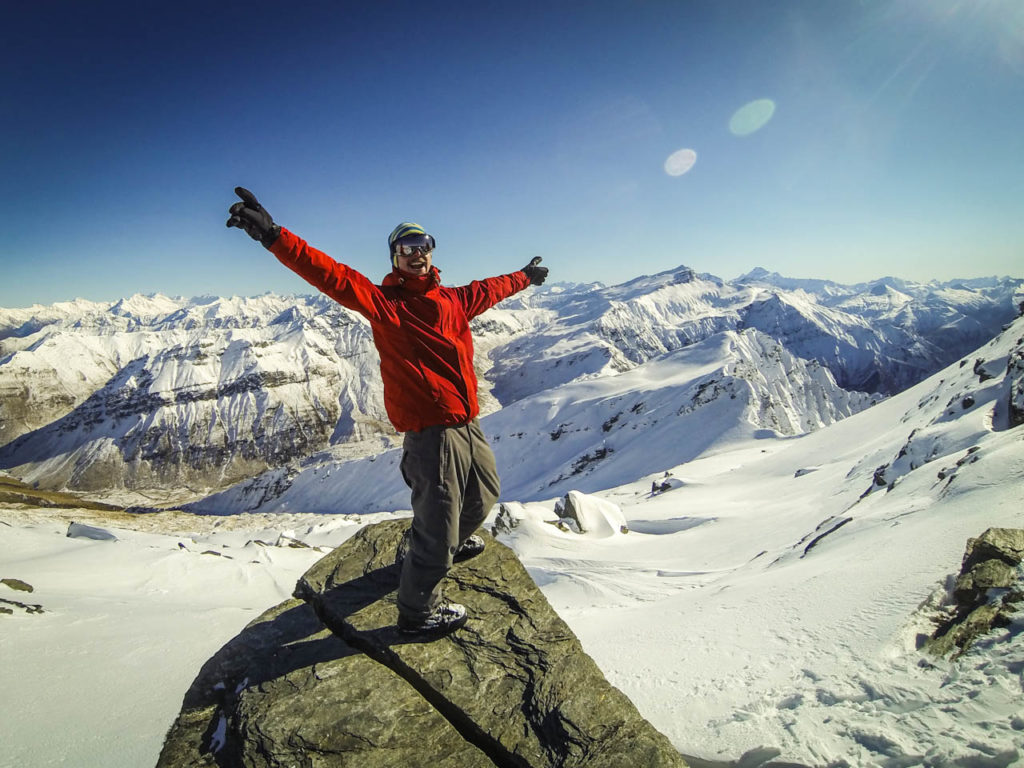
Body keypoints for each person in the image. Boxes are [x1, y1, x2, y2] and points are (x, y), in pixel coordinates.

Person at [226, 187, 548, 637]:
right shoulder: (385, 304)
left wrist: (525, 276)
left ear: (431, 252)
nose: (416, 254)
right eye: (406, 248)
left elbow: (491, 288)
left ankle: (443, 544)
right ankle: (417, 612)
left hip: (467, 421)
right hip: (431, 432)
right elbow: (330, 274)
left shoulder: (454, 299)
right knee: (438, 523)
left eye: (422, 246)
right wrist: (275, 236)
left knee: (484, 495)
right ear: (395, 257)